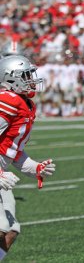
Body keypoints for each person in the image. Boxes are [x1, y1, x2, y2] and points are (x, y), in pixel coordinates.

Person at [0, 55, 56, 259]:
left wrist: (34, 167)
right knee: (2, 226)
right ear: (10, 78)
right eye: (25, 75)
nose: (31, 79)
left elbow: (12, 152)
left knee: (11, 229)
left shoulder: (25, 104)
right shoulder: (7, 100)